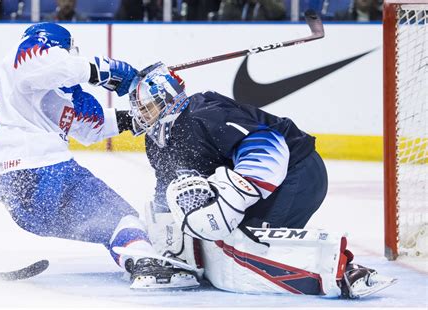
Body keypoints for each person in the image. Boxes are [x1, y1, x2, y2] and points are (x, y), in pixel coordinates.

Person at [124, 62, 396, 298]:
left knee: (248, 242)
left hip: (297, 172)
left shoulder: (204, 113)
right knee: (226, 237)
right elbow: (168, 190)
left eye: (147, 107)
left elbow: (267, 145)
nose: (141, 116)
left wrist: (235, 196)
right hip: (270, 181)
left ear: (168, 99)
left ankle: (347, 272)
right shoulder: (157, 139)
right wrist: (169, 245)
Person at [0, 23, 199, 290]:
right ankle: (145, 264)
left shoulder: (51, 95)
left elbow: (90, 125)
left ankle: (135, 258)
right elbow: (56, 66)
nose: (71, 55)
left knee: (110, 225)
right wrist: (104, 71)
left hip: (18, 196)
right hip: (47, 171)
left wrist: (142, 111)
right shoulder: (24, 55)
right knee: (122, 217)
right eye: (68, 50)